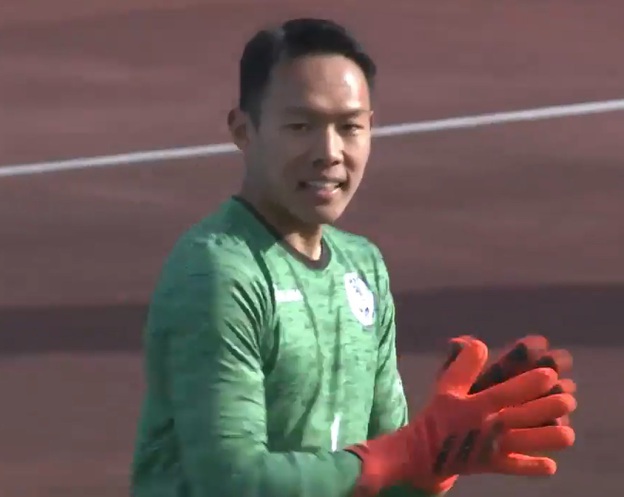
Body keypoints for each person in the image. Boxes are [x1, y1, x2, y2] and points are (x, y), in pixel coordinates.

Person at [129, 17, 577, 497]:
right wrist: (404, 452)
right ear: (244, 130)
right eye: (300, 126)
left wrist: (440, 457)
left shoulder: (362, 267)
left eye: (349, 127)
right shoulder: (220, 273)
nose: (329, 152)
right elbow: (233, 482)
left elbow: (384, 475)